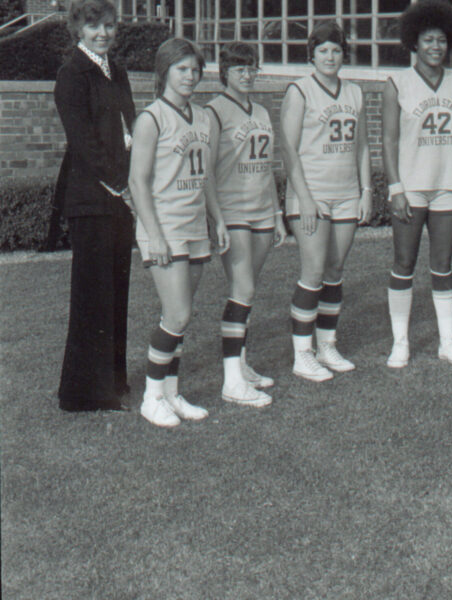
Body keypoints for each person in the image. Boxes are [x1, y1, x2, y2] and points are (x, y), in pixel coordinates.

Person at [129, 38, 229, 428]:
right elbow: (137, 182)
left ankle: (171, 393)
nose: (190, 76)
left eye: (195, 69)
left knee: (180, 317)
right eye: (181, 69)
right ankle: (152, 397)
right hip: (164, 226)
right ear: (164, 71)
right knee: (178, 313)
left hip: (193, 225)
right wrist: (154, 235)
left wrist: (218, 219)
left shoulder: (203, 117)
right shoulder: (151, 118)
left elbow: (206, 177)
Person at [53, 0, 135, 412]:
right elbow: (85, 144)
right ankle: (84, 392)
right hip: (91, 200)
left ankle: (114, 381)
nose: (102, 33)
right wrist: (122, 183)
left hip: (119, 200)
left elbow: (130, 127)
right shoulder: (72, 74)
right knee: (92, 295)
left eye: (109, 25)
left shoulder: (115, 71)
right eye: (93, 25)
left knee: (116, 290)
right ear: (77, 29)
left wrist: (135, 176)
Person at [383, 0, 452, 369]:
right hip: (411, 186)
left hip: (447, 185)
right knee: (404, 262)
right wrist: (395, 188)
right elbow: (389, 140)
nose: (436, 47)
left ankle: (447, 342)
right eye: (428, 40)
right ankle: (400, 342)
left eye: (441, 40)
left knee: (443, 264)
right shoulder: (397, 83)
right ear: (414, 42)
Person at [279, 22, 373, 382]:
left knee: (335, 271)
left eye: (336, 50)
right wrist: (304, 198)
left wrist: (366, 191)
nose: (330, 57)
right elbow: (288, 149)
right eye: (323, 51)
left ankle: (327, 346)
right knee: (314, 271)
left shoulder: (354, 92)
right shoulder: (300, 91)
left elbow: (362, 146)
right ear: (312, 55)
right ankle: (302, 354)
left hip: (346, 193)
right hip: (312, 193)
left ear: (343, 54)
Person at [207, 43, 286, 407]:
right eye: (240, 69)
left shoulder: (263, 111)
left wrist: (277, 213)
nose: (248, 75)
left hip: (261, 211)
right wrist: (218, 219)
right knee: (243, 289)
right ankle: (231, 382)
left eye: (252, 68)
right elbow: (207, 172)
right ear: (225, 72)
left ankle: (240, 364)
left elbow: (267, 168)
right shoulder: (214, 111)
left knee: (247, 291)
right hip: (233, 210)